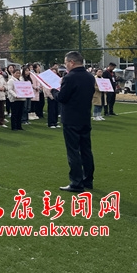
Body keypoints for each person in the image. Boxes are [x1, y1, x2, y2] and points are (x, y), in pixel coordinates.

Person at [52, 51, 95, 192]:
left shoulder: (69, 77)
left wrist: (53, 91)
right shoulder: (90, 77)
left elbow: (62, 97)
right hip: (85, 117)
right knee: (86, 150)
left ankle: (76, 182)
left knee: (73, 151)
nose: (65, 65)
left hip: (71, 118)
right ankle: (88, 180)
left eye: (66, 63)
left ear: (71, 62)